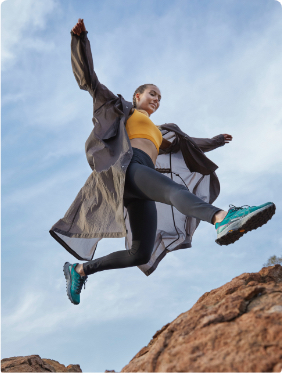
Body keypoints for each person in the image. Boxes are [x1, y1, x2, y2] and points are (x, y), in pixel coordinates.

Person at [50, 19, 276, 305]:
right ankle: (222, 218)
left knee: (140, 254)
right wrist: (80, 42)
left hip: (138, 180)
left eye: (159, 97)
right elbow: (89, 81)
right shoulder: (122, 109)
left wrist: (216, 141)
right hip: (125, 169)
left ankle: (80, 269)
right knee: (172, 191)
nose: (156, 99)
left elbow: (189, 144)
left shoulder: (160, 130)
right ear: (137, 96)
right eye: (152, 93)